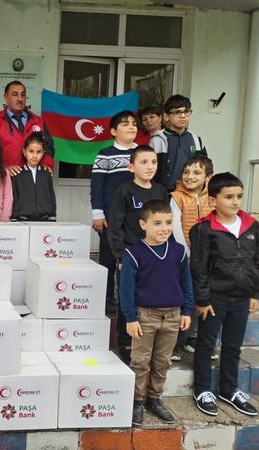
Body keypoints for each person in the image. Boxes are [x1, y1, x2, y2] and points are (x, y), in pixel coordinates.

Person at [190, 172, 258, 417]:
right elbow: (198, 267)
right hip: (214, 299)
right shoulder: (203, 229)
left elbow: (257, 261)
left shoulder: (252, 225)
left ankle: (228, 389)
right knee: (206, 344)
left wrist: (255, 293)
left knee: (233, 346)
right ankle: (202, 390)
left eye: (239, 196)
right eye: (229, 197)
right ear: (213, 200)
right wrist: (202, 299)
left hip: (242, 298)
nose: (235, 201)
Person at [119, 200, 193, 425]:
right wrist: (130, 317)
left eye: (169, 223)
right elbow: (126, 289)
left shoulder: (179, 251)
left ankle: (154, 398)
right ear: (143, 224)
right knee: (140, 361)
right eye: (157, 223)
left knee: (162, 361)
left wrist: (187, 310)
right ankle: (137, 400)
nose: (164, 228)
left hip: (172, 316)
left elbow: (186, 283)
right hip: (145, 316)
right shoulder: (134, 253)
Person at [107, 145, 169, 363]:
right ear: (131, 167)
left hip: (155, 256)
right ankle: (125, 343)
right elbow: (115, 225)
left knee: (150, 298)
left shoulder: (161, 191)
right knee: (128, 298)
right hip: (131, 255)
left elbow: (165, 224)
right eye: (144, 162)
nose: (150, 166)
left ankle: (148, 342)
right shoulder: (124, 191)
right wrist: (120, 255)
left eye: (153, 162)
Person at [90, 111, 138, 314]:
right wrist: (98, 214)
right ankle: (107, 298)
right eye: (125, 124)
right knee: (109, 259)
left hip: (135, 218)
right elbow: (97, 186)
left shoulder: (142, 153)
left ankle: (130, 299)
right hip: (110, 217)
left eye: (134, 124)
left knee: (133, 260)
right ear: (113, 131)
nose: (131, 127)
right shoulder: (105, 154)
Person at [169, 156, 214, 360]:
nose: (190, 176)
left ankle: (193, 338)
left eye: (197, 173)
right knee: (184, 296)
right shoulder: (177, 197)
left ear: (208, 177)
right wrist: (187, 253)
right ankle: (175, 342)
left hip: (208, 258)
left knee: (202, 296)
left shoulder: (212, 197)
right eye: (186, 172)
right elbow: (176, 227)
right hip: (186, 256)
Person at [0, 80, 54, 176]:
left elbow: (48, 147)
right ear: (5, 97)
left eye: (23, 95)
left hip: (33, 179)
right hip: (4, 179)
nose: (20, 99)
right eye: (15, 94)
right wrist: (3, 169)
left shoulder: (38, 122)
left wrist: (46, 165)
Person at [150, 94, 207, 191]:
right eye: (177, 112)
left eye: (186, 112)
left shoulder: (195, 139)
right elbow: (150, 170)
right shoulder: (157, 140)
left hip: (191, 192)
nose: (183, 116)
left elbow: (205, 167)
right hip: (164, 193)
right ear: (166, 116)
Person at [11, 132, 56, 221]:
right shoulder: (17, 174)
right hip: (22, 220)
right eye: (31, 151)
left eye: (38, 152)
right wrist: (14, 219)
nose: (35, 156)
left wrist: (52, 217)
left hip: (44, 220)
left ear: (43, 153)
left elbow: (51, 197)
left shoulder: (46, 174)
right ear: (24, 152)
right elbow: (14, 198)